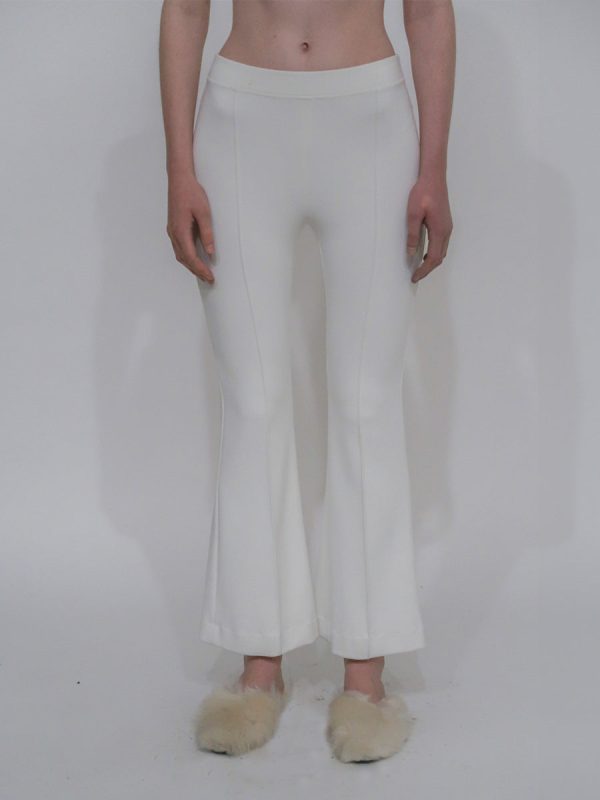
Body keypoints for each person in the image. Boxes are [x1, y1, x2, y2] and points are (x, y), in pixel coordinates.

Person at [159, 0, 454, 761]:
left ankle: (366, 676)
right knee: (253, 403)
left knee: (365, 402)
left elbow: (427, 10)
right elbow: (185, 8)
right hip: (240, 123)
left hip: (369, 119)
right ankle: (258, 669)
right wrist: (179, 169)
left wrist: (433, 167)